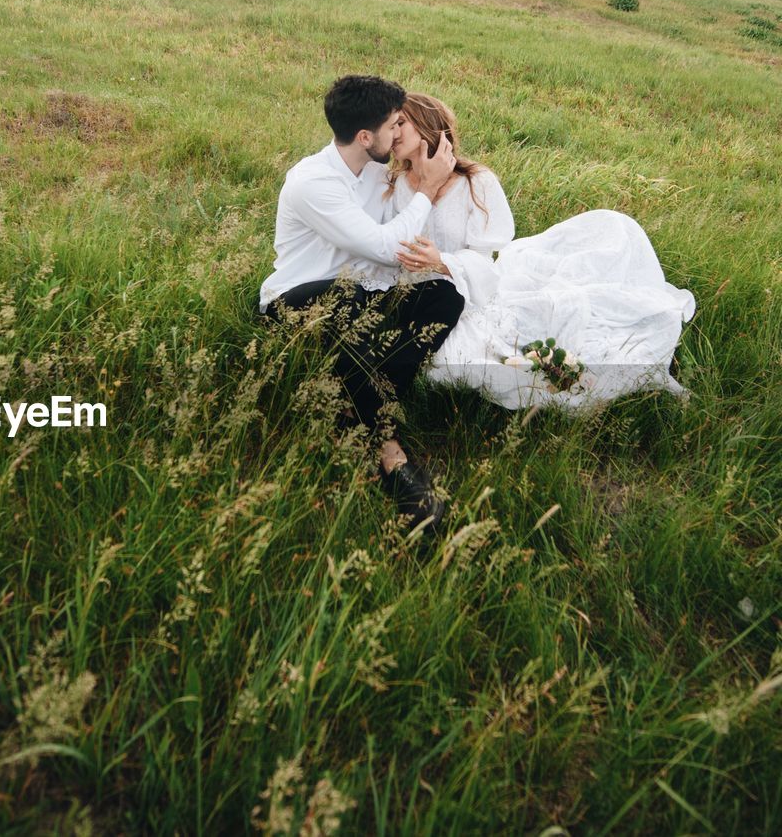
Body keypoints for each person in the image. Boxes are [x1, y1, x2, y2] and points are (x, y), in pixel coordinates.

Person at [389, 93, 697, 411]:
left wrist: (444, 262)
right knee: (438, 369)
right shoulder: (395, 185)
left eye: (400, 123)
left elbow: (485, 261)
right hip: (414, 297)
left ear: (428, 125)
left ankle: (561, 367)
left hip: (470, 294)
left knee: (465, 364)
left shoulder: (476, 183)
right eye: (389, 125)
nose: (392, 133)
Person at [258, 75, 464, 534]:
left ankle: (355, 409)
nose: (398, 133)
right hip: (297, 300)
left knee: (444, 295)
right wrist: (428, 191)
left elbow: (403, 245)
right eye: (394, 126)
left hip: (363, 298)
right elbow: (386, 248)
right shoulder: (312, 182)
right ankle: (391, 452)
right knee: (343, 295)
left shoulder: (375, 173)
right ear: (365, 137)